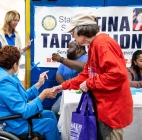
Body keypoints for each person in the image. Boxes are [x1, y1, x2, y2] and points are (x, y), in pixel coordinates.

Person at [52, 10, 133, 140]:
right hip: (104, 107)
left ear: (81, 30)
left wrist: (89, 83)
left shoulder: (103, 43)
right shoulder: (94, 45)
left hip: (112, 110)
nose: (73, 37)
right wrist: (63, 86)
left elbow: (117, 75)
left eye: (73, 33)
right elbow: (86, 74)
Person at [0, 46, 60, 140]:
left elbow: (21, 96)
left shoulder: (7, 75)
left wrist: (39, 84)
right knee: (50, 125)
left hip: (12, 115)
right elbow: (25, 111)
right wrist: (43, 95)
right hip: (7, 123)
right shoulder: (3, 81)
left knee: (50, 114)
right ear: (14, 64)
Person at [51, 40, 88, 114]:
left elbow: (83, 67)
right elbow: (58, 76)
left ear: (78, 49)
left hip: (83, 94)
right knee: (54, 110)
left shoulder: (87, 58)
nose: (67, 49)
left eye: (70, 47)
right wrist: (68, 87)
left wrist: (61, 59)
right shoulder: (66, 60)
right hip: (67, 92)